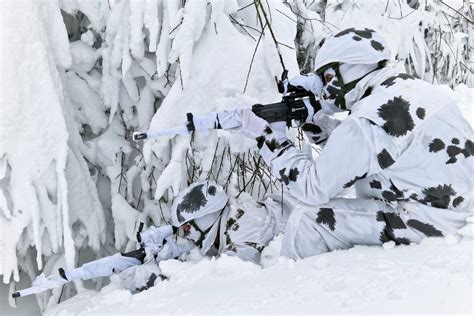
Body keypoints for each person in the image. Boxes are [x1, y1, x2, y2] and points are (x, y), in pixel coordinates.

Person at [235, 27, 473, 259]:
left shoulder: (367, 119)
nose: (325, 89)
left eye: (328, 77)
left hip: (434, 223)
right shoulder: (418, 90)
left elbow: (313, 188)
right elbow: (390, 154)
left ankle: (293, 287)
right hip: (461, 212)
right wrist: (330, 134)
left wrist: (269, 139)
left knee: (308, 218)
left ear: (353, 67)